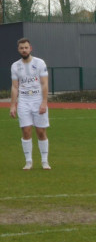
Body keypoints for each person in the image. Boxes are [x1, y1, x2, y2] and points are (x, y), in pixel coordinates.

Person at [10, 38, 51, 170]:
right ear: (18, 50)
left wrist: (44, 102)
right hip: (24, 101)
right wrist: (12, 105)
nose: (24, 50)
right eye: (21, 48)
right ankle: (28, 161)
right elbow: (15, 87)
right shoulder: (15, 66)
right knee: (26, 131)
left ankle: (45, 161)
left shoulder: (40, 63)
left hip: (38, 99)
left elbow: (44, 83)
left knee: (40, 131)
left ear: (30, 48)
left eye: (26, 47)